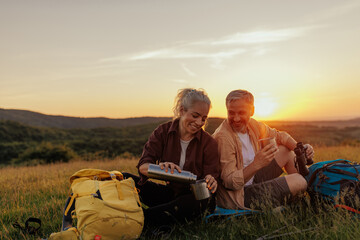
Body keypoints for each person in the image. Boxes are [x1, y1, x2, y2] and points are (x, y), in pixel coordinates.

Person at [123, 88, 220, 228]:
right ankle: (157, 217)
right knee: (125, 178)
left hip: (194, 199)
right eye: (195, 116)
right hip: (170, 194)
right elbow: (143, 166)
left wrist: (211, 180)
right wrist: (161, 167)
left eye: (204, 118)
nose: (199, 122)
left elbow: (211, 177)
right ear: (182, 110)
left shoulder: (209, 143)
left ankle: (140, 220)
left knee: (198, 202)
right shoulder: (162, 132)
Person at [213, 89, 314, 210]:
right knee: (299, 181)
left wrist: (300, 149)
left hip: (254, 179)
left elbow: (281, 136)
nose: (236, 118)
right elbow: (229, 182)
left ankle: (303, 197)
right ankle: (295, 201)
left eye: (241, 113)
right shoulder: (224, 137)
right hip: (239, 195)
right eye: (231, 113)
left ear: (252, 111)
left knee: (286, 151)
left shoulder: (252, 125)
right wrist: (257, 164)